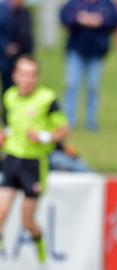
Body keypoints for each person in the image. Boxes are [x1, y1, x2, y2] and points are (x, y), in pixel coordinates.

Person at [0, 56, 70, 263]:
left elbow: (63, 130)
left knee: (27, 222)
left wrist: (43, 137)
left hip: (34, 163)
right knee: (0, 214)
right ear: (15, 76)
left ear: (37, 78)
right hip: (12, 159)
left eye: (31, 75)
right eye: (23, 74)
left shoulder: (46, 99)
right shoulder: (9, 96)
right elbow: (9, 125)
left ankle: (42, 259)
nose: (27, 80)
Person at [60, 0, 117, 131]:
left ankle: (91, 122)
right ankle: (69, 121)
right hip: (76, 50)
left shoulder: (104, 1)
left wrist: (100, 21)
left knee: (93, 87)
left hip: (97, 52)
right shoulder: (76, 0)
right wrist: (78, 19)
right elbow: (64, 16)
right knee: (72, 85)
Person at [0, 0, 33, 93]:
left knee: (21, 88)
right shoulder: (2, 11)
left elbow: (27, 33)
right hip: (6, 59)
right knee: (8, 89)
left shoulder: (24, 12)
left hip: (22, 55)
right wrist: (6, 46)